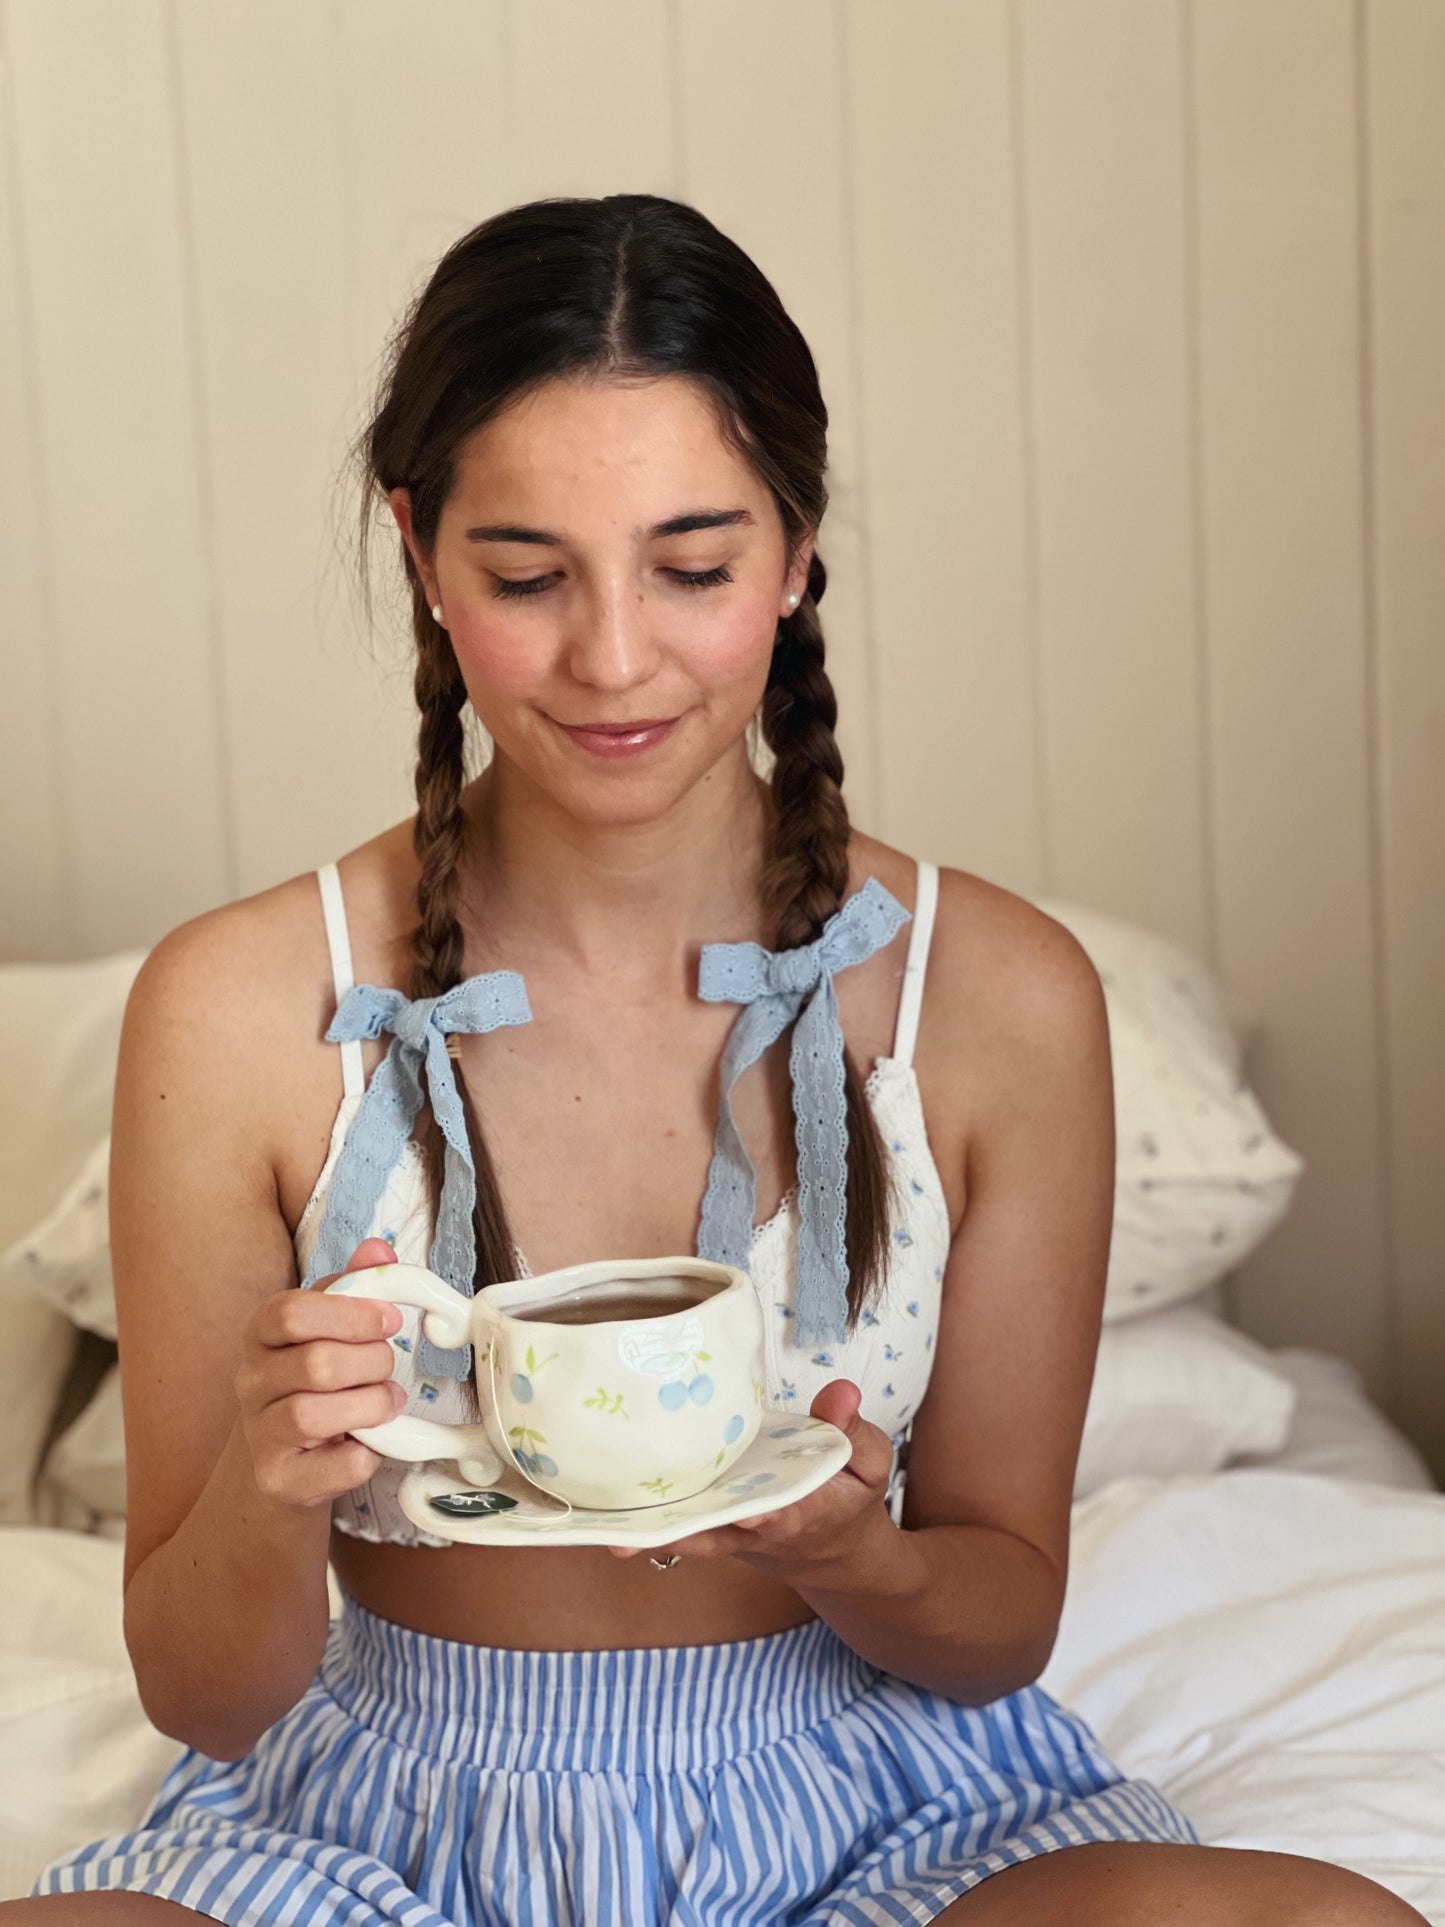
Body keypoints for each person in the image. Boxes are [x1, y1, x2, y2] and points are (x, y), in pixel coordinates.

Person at [12, 195, 1422, 1927]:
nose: (613, 658)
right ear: (420, 551)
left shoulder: (991, 1000)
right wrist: (264, 1482)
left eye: (693, 566)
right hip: (374, 1822)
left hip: (879, 1809)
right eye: (527, 576)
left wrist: (859, 1555)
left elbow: (996, 1629)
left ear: (797, 547)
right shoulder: (238, 1004)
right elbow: (205, 1696)